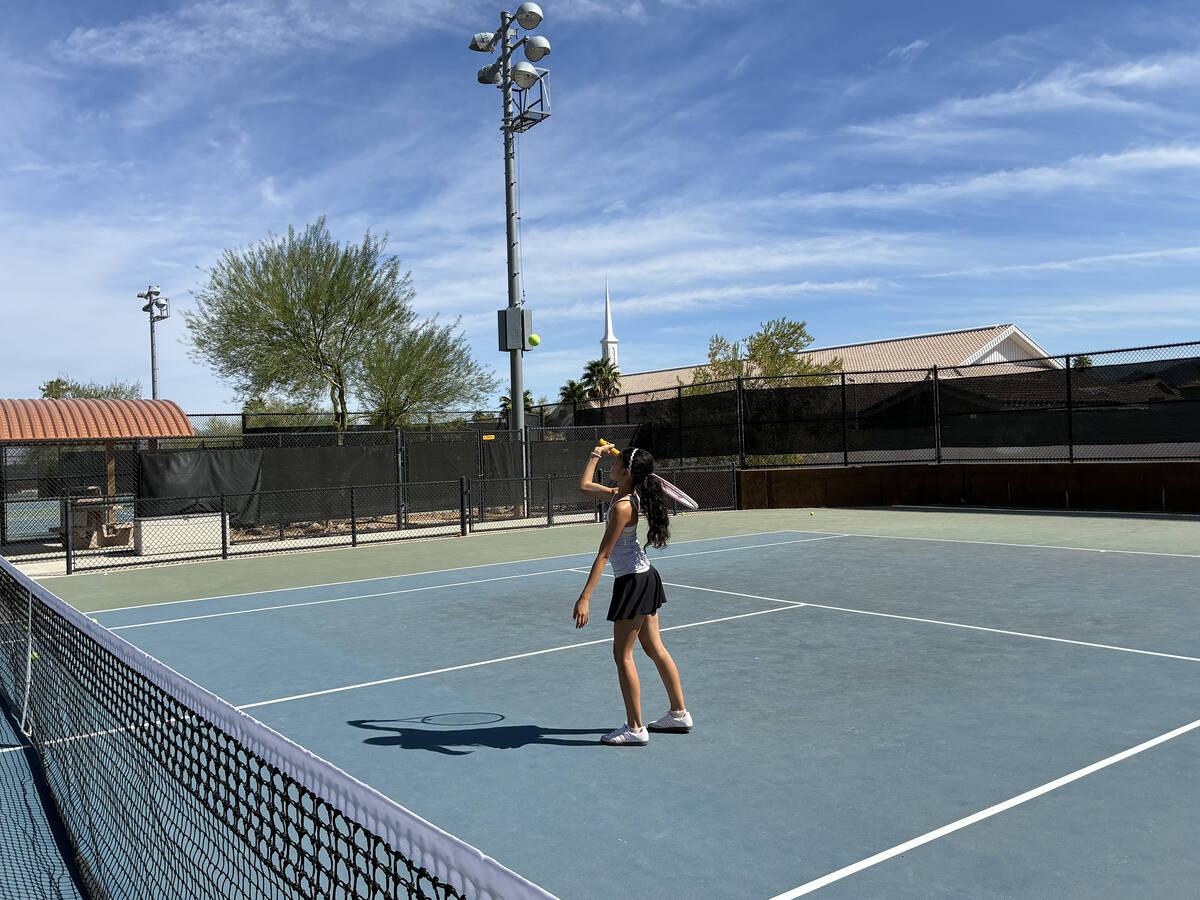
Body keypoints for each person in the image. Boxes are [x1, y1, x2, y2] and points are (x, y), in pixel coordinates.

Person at [575, 442, 692, 745]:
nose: (609, 467)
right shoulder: (624, 496)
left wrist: (585, 597)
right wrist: (596, 455)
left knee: (622, 655)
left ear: (626, 472)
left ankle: (635, 728)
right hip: (646, 576)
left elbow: (603, 555)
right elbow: (585, 486)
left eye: (616, 464)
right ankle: (679, 713)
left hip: (632, 582)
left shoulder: (623, 506)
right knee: (654, 649)